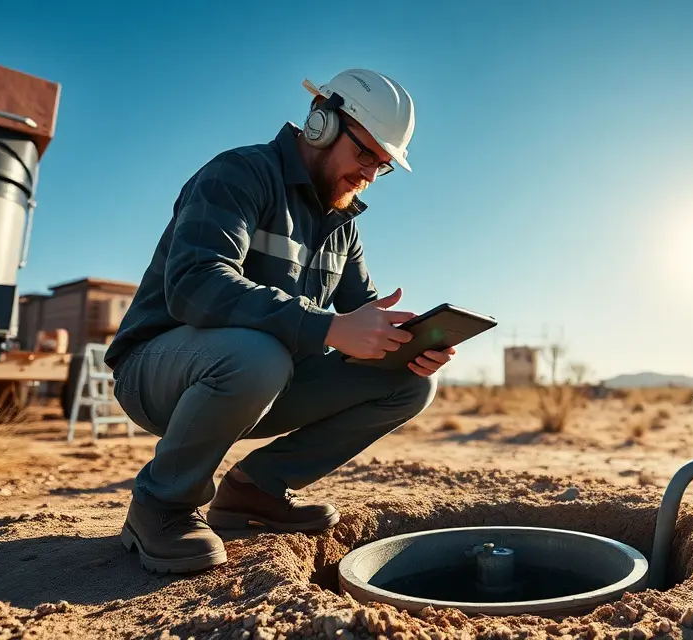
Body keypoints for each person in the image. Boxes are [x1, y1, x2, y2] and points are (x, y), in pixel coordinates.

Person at [102, 69, 452, 575]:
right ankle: (160, 505)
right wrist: (327, 328)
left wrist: (408, 343)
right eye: (365, 154)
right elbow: (194, 284)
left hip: (265, 379)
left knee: (409, 385)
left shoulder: (342, 225)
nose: (371, 174)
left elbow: (363, 316)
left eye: (384, 165)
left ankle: (253, 492)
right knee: (257, 355)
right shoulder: (239, 174)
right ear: (322, 125)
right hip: (159, 372)